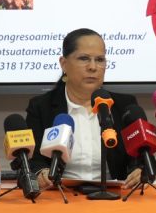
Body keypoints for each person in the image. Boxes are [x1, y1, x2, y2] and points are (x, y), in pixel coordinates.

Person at [26, 29, 145, 189]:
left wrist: (140, 171)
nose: (93, 67)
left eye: (100, 59)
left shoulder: (124, 106)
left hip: (114, 196)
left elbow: (142, 157)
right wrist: (41, 172)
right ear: (64, 64)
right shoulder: (41, 107)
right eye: (84, 58)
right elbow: (34, 161)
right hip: (61, 195)